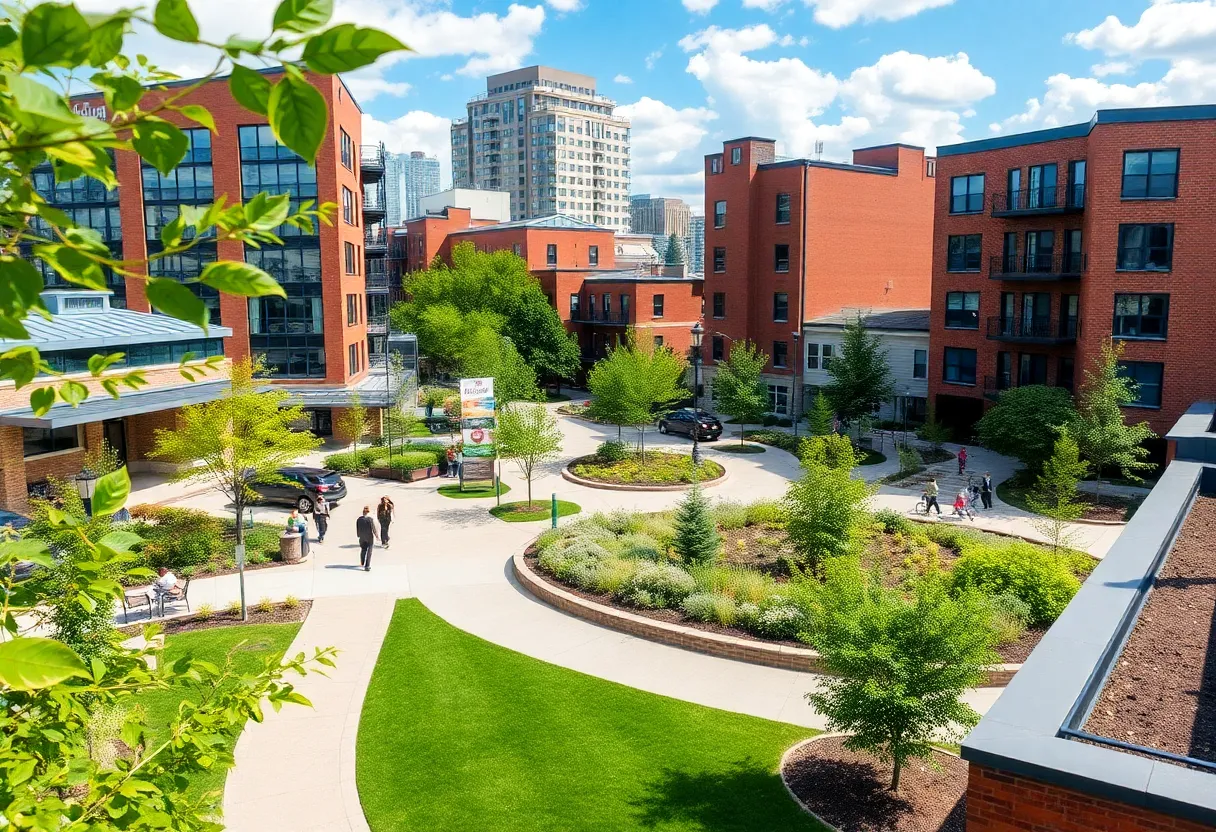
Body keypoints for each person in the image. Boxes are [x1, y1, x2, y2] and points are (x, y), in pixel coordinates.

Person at [356, 506, 376, 571]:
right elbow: (373, 528)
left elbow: (357, 528)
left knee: (363, 550)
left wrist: (358, 535)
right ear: (368, 512)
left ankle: (362, 562)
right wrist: (377, 535)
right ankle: (367, 566)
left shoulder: (359, 519)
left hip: (362, 537)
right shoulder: (370, 519)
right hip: (369, 537)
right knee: (369, 551)